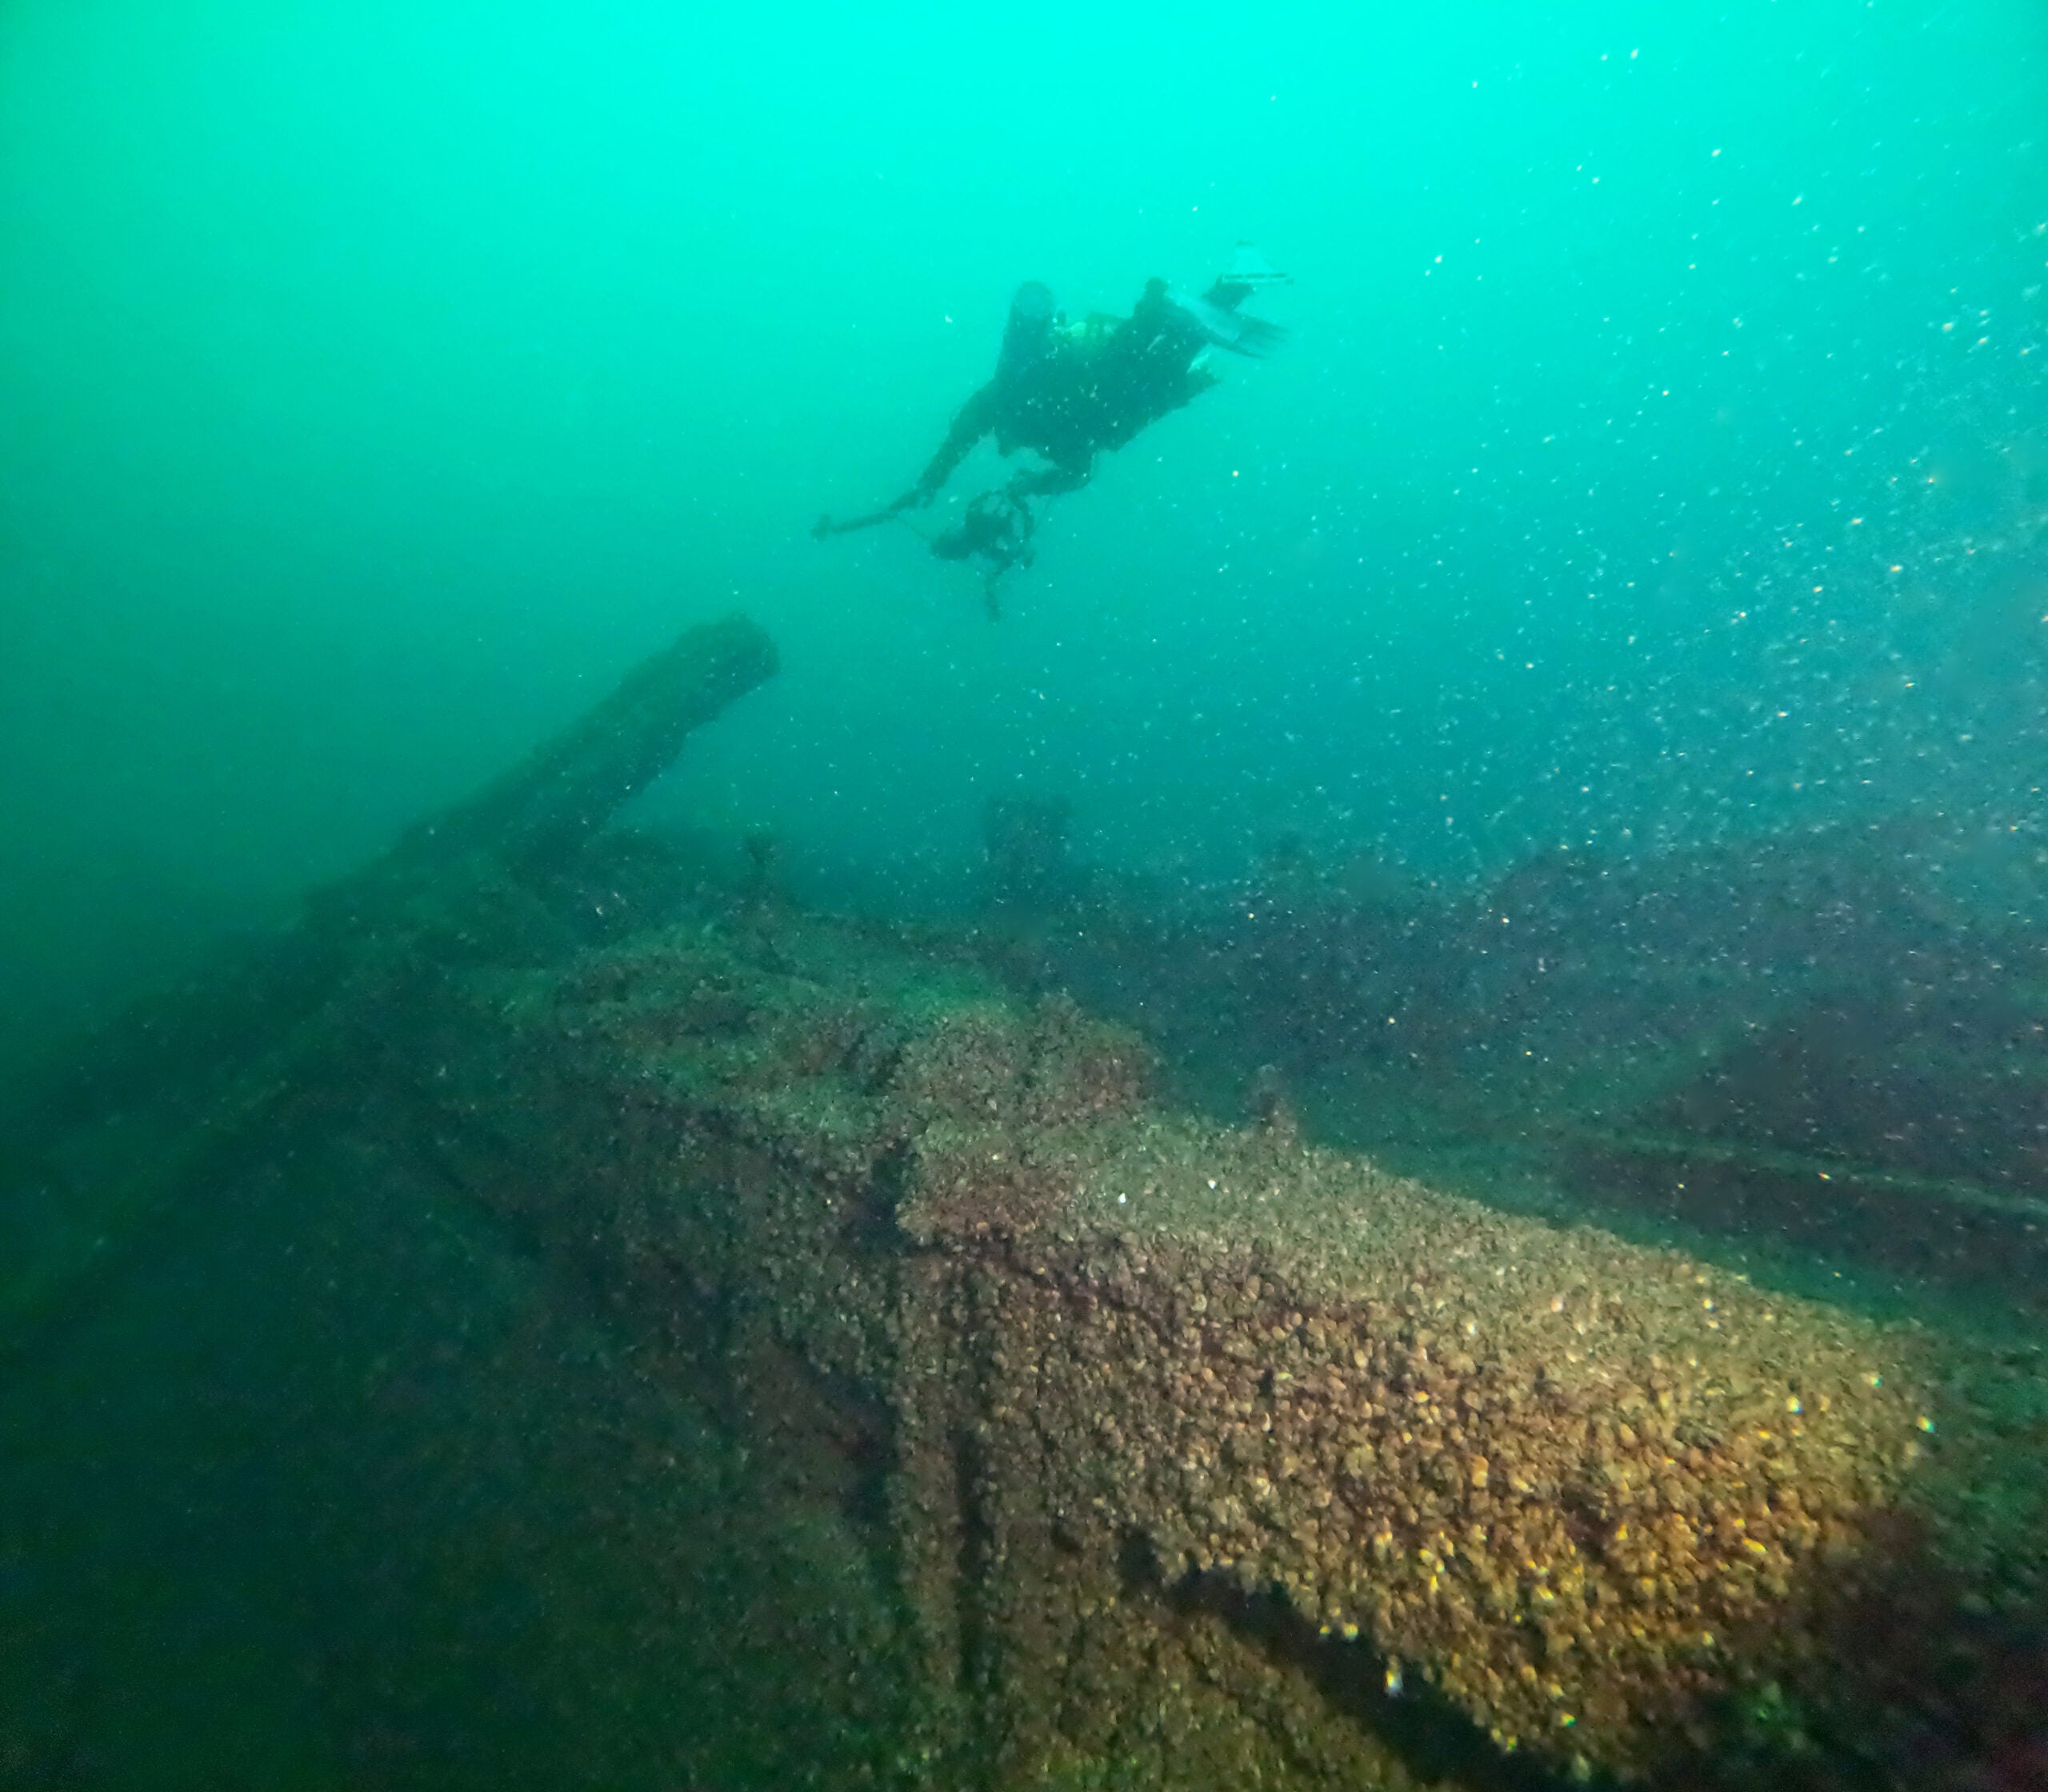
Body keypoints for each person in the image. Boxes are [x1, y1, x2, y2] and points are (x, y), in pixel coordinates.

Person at [814, 246, 1289, 614]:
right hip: (1088, 390)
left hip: (1083, 394)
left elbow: (966, 438)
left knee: (1145, 377)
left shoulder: (1011, 416)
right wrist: (961, 483)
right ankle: (1230, 283)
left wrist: (932, 484)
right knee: (1141, 375)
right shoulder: (1020, 420)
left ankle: (1173, 307)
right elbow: (975, 440)